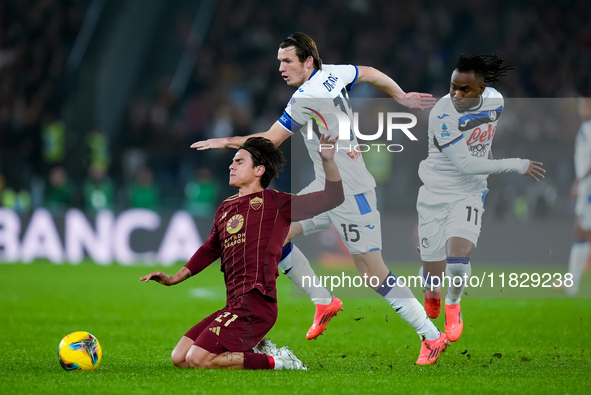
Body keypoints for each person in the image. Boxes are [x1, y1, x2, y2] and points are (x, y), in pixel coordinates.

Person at [192, 32, 448, 365]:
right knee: (271, 235)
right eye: (279, 61)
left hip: (352, 193)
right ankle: (323, 301)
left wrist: (225, 140)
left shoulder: (306, 96)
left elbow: (269, 140)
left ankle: (431, 336)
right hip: (326, 187)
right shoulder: (333, 74)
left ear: (307, 62)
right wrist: (400, 96)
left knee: (374, 273)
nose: (281, 68)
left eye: (288, 61)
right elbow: (368, 71)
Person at [140, 134, 344, 370]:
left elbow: (333, 198)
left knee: (198, 360)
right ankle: (256, 348)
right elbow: (209, 250)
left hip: (256, 304)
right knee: (180, 358)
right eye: (233, 161)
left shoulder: (275, 203)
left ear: (259, 170)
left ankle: (281, 362)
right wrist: (175, 278)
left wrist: (328, 160)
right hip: (234, 304)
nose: (231, 165)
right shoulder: (225, 208)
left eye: (239, 162)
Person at [416, 51, 546, 342]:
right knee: (432, 270)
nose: (456, 94)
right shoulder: (442, 114)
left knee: (458, 261)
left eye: (465, 89)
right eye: (453, 87)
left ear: (482, 90)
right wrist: (517, 164)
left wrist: (486, 156)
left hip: (470, 191)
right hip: (436, 193)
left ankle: (452, 303)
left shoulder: (496, 102)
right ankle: (433, 291)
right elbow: (464, 163)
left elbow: (484, 139)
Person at [565, 96, 591, 296]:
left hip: (588, 187)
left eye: (586, 104)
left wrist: (580, 180)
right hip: (585, 186)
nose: (582, 107)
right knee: (581, 232)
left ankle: (571, 284)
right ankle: (571, 284)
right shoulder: (585, 128)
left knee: (582, 231)